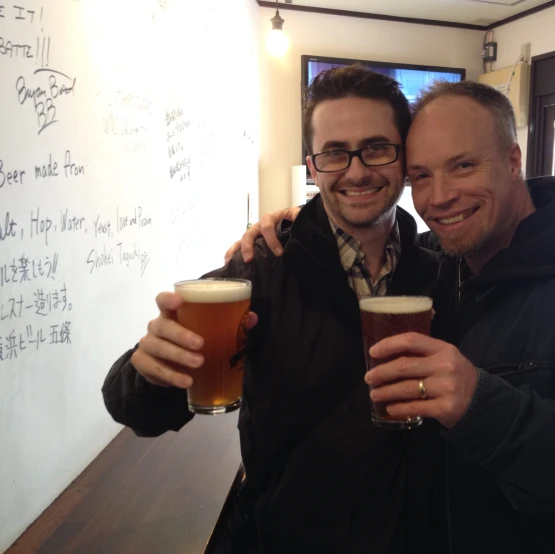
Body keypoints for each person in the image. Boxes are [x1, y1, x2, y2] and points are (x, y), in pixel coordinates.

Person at [230, 81, 555, 553]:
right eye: (422, 176)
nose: (440, 197)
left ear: (514, 161)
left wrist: (483, 406)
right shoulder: (443, 266)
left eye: (463, 166)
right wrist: (301, 222)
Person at [102, 66, 447, 554]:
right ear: (311, 166)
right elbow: (132, 405)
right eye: (334, 153)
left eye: (376, 147)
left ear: (403, 158)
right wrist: (150, 371)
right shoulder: (258, 271)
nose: (356, 170)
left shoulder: (439, 272)